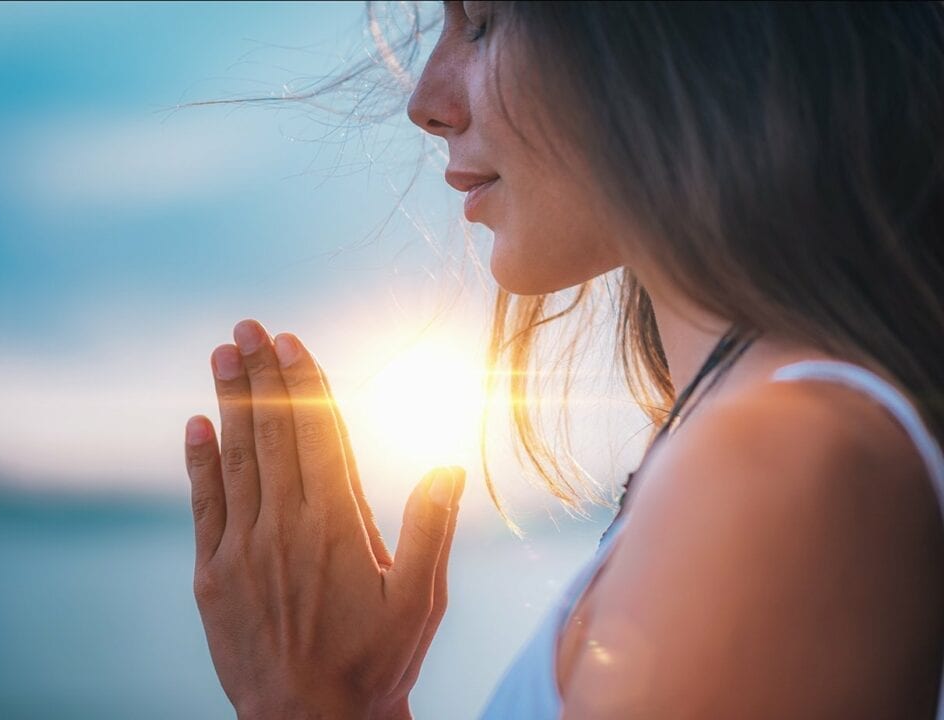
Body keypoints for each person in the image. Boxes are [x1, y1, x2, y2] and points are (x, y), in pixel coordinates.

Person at [182, 2, 944, 717]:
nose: (425, 99)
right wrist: (357, 699)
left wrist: (307, 702)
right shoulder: (752, 453)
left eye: (480, 22)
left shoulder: (782, 472)